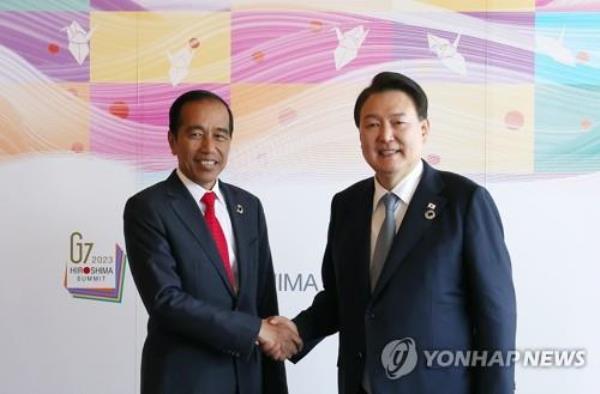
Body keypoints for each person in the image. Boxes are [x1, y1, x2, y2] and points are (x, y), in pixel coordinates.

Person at [270, 72, 517, 393]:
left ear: (423, 129)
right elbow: (339, 299)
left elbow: (495, 314)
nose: (385, 135)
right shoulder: (346, 205)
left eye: (398, 123)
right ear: (360, 135)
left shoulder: (464, 201)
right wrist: (294, 332)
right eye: (372, 124)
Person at [123, 90, 301, 394]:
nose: (209, 147)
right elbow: (166, 301)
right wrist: (255, 330)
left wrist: (274, 365)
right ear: (172, 140)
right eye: (196, 134)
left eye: (220, 135)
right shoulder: (149, 207)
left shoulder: (249, 206)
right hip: (186, 381)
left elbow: (264, 300)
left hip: (248, 378)